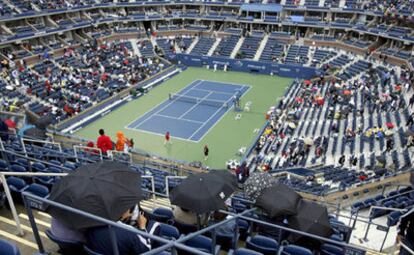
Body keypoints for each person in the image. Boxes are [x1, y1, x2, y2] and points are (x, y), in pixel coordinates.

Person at [86, 207, 159, 255]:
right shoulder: (131, 233)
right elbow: (146, 250)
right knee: (156, 225)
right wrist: (142, 227)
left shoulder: (90, 225)